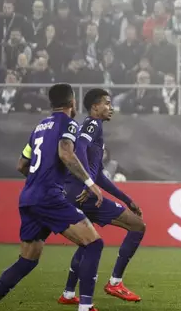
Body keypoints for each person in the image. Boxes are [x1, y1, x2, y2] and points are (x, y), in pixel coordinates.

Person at [0, 84, 105, 311]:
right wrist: (90, 183)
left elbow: (21, 164)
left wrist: (39, 180)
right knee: (94, 243)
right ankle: (85, 307)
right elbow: (66, 153)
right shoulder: (68, 123)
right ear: (72, 103)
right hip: (48, 196)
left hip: (28, 197)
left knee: (27, 260)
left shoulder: (39, 127)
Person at [58, 89, 146, 305]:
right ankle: (115, 282)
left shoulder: (95, 129)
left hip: (74, 192)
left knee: (87, 242)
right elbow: (78, 149)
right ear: (95, 107)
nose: (111, 107)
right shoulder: (92, 124)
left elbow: (98, 176)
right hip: (81, 192)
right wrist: (87, 184)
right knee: (137, 226)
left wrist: (126, 198)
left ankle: (69, 294)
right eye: (107, 103)